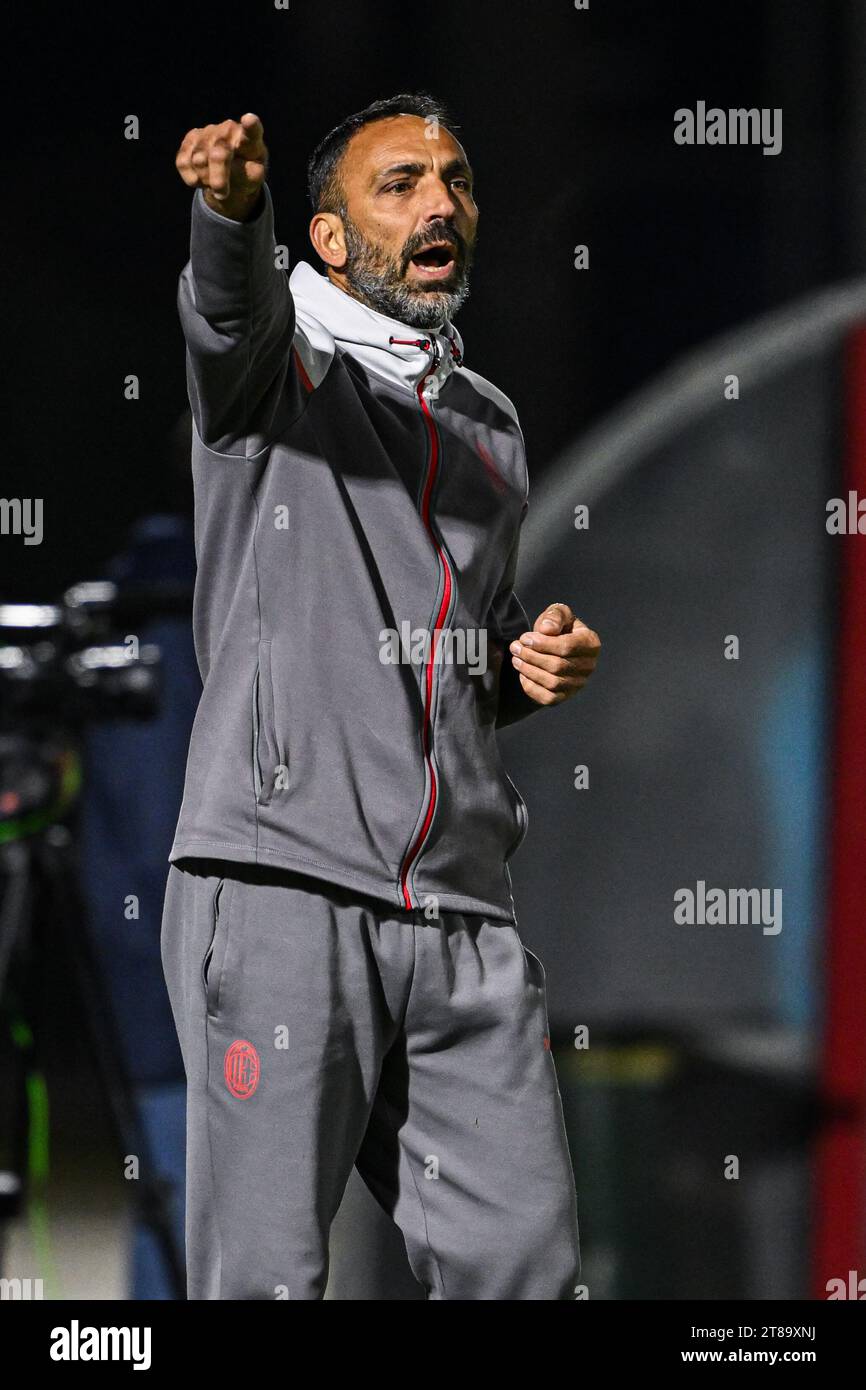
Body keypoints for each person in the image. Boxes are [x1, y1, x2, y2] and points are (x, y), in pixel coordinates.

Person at [160, 92, 601, 1301]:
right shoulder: (272, 380)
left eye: (453, 178)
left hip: (461, 916)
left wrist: (522, 663)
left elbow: (452, 653)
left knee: (526, 1270)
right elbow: (228, 306)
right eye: (398, 183)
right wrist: (227, 211)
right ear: (333, 239)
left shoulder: (488, 424)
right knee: (265, 1282)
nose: (439, 201)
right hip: (282, 892)